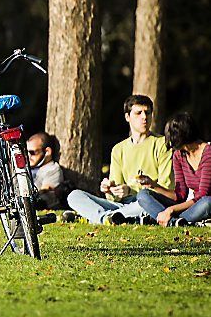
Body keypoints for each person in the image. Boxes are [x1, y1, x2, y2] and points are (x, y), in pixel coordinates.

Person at [66, 95, 173, 225]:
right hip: (121, 206)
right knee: (74, 196)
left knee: (145, 203)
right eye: (138, 113)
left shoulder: (163, 144)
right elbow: (114, 197)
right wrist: (109, 189)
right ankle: (109, 217)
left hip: (146, 203)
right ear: (127, 117)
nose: (144, 117)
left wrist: (130, 191)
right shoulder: (118, 149)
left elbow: (166, 189)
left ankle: (99, 217)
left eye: (147, 113)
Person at [136, 113, 211, 227]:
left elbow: (202, 195)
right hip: (189, 208)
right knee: (143, 195)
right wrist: (153, 185)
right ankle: (174, 222)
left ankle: (160, 219)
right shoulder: (178, 155)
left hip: (202, 204)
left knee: (207, 202)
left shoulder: (208, 153)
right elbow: (180, 195)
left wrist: (170, 210)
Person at [26, 132, 66, 209]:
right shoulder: (27, 168)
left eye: (32, 152)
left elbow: (43, 196)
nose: (28, 156)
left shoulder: (53, 170)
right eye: (27, 152)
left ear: (47, 151)